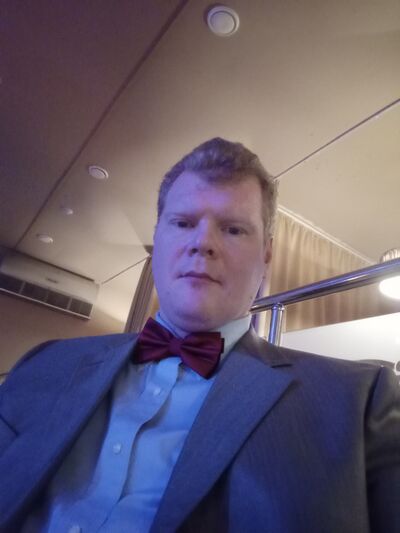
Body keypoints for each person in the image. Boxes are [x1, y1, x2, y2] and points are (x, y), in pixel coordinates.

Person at [0, 138, 399, 533]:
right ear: (157, 239)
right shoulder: (45, 363)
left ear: (266, 255)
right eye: (183, 223)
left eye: (233, 229)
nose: (203, 243)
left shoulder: (361, 401)